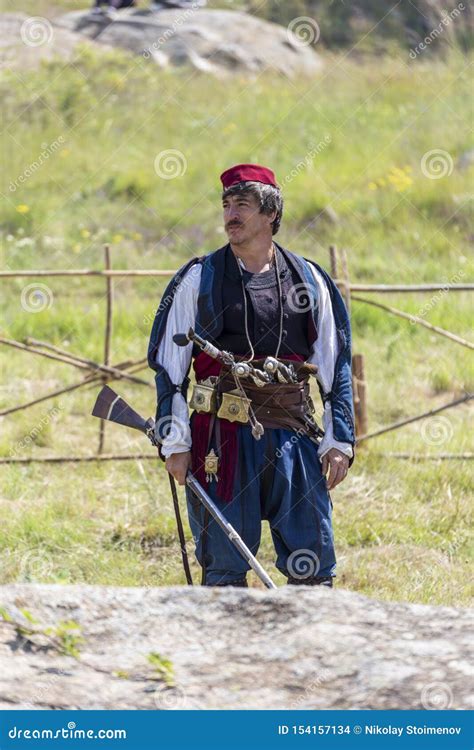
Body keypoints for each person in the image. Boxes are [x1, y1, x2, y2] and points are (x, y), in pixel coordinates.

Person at [147, 163, 355, 588]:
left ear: (270, 214)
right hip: (217, 440)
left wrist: (340, 441)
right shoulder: (198, 278)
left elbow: (335, 364)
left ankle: (312, 650)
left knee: (312, 564)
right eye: (225, 205)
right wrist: (175, 441)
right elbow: (170, 369)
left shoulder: (309, 280)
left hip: (292, 435)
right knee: (224, 569)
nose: (230, 215)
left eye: (242, 204)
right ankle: (226, 653)